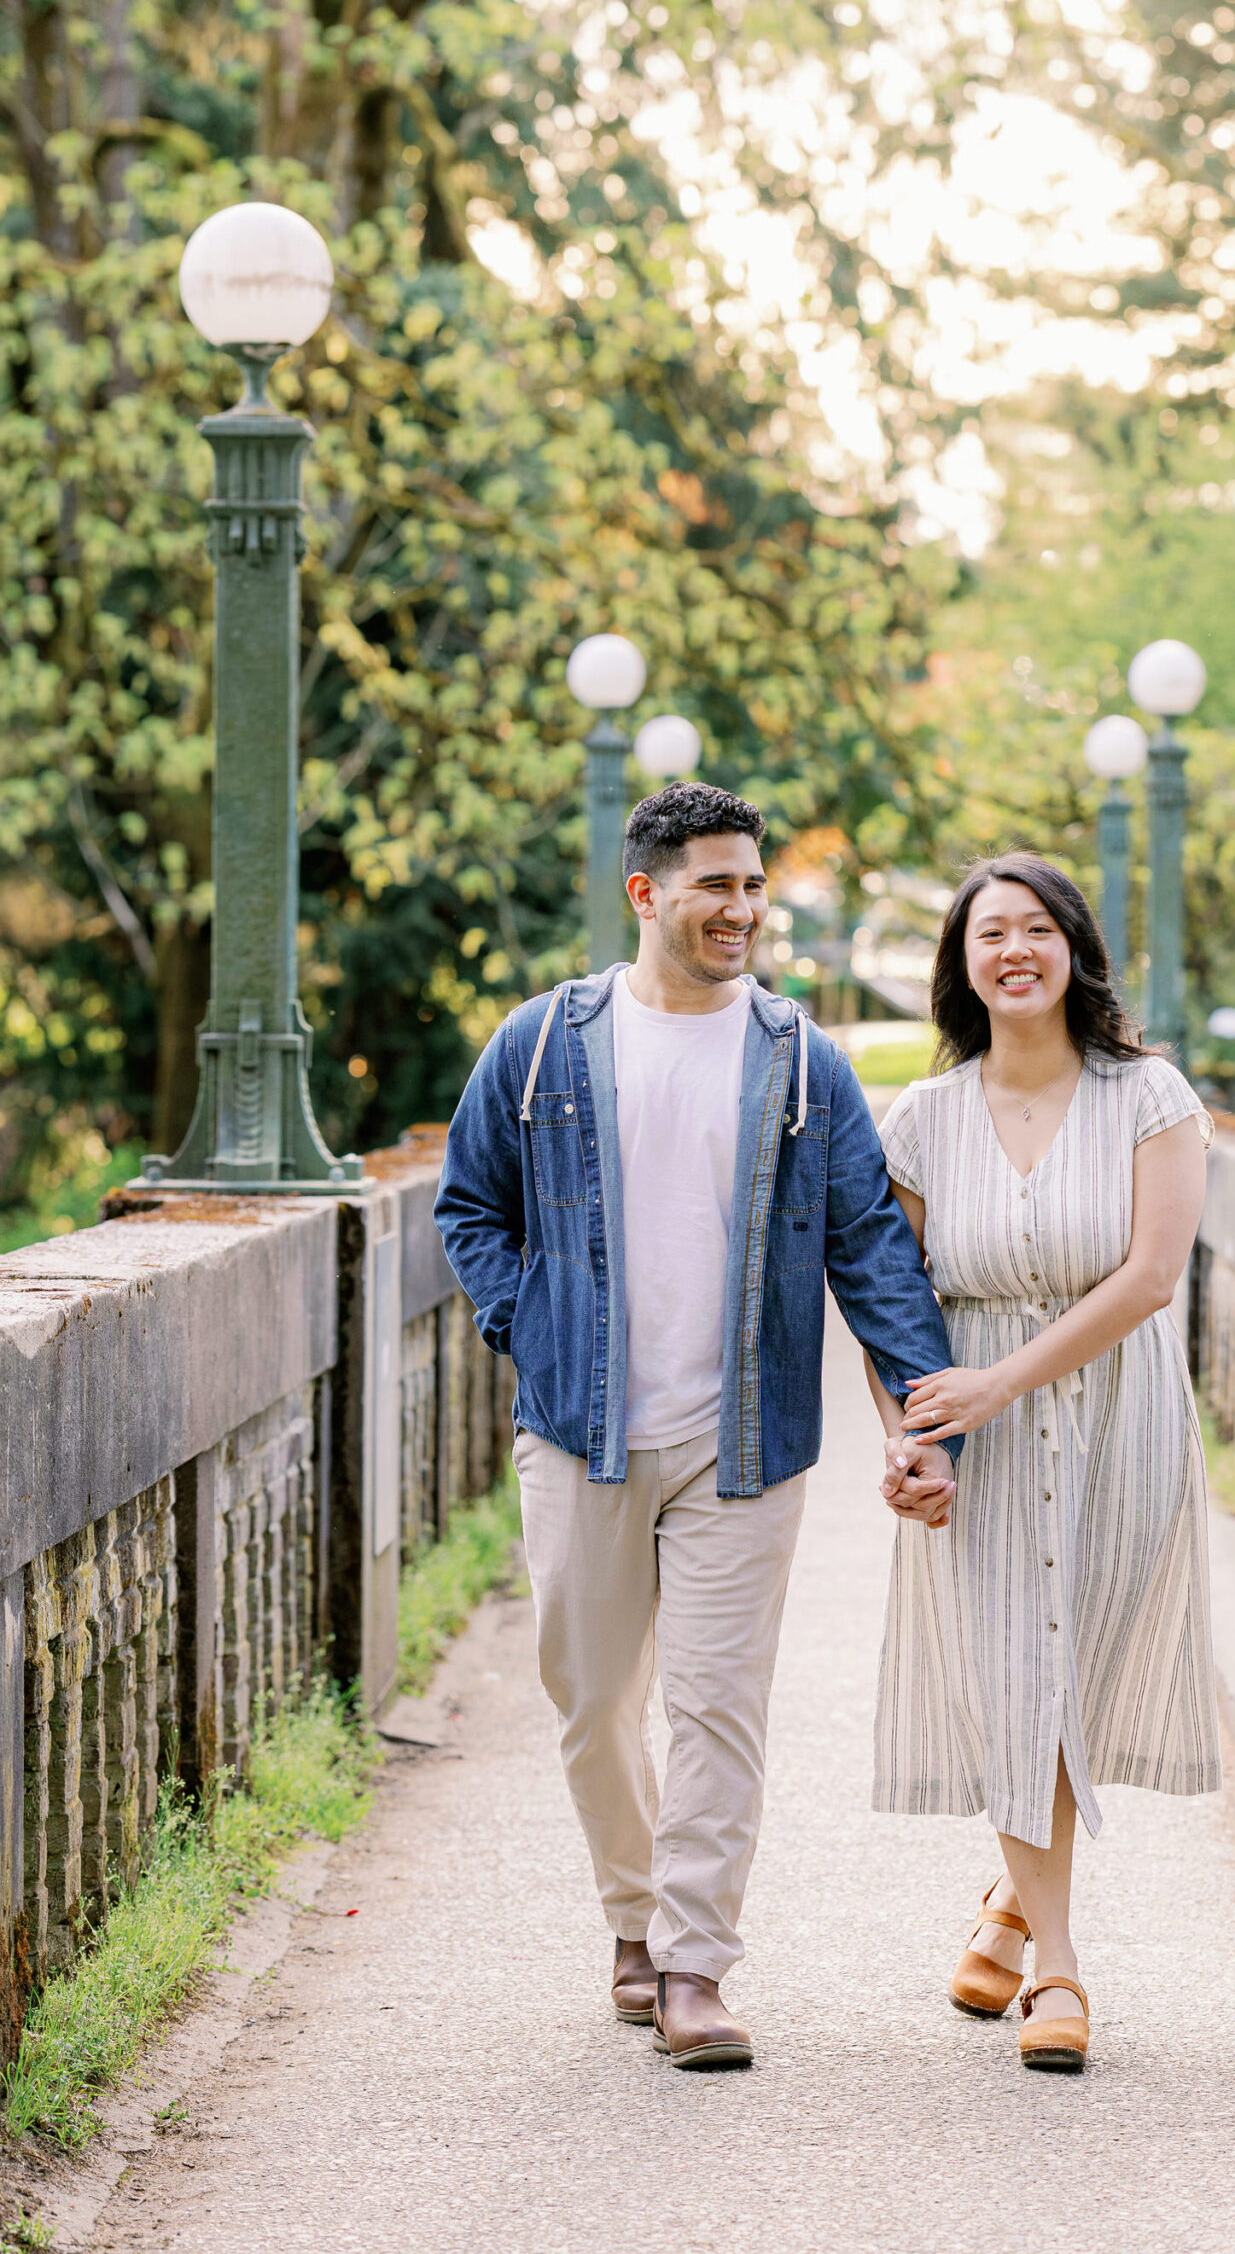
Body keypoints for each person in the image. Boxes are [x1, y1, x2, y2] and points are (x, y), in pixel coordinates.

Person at [433, 782, 955, 2071]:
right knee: (593, 1696)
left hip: (746, 1435)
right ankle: (632, 1916)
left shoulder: (799, 1057)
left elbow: (869, 1246)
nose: (743, 909)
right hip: (580, 1427)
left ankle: (693, 1965)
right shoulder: (545, 1043)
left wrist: (924, 1410)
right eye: (716, 885)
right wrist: (527, 1321)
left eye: (754, 885)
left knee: (719, 1707)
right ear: (645, 893)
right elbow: (467, 1208)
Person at [865, 851, 1219, 2075]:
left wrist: (1002, 1383)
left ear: (1073, 946)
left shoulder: (1150, 1096)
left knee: (1077, 1672)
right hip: (982, 1452)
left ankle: (1012, 1901)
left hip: (1122, 1423)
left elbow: (1150, 1276)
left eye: (1034, 928)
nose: (1012, 950)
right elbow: (892, 1302)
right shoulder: (922, 1119)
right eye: (986, 935)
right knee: (1020, 1676)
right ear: (961, 967)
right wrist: (912, 1443)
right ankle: (1058, 1969)